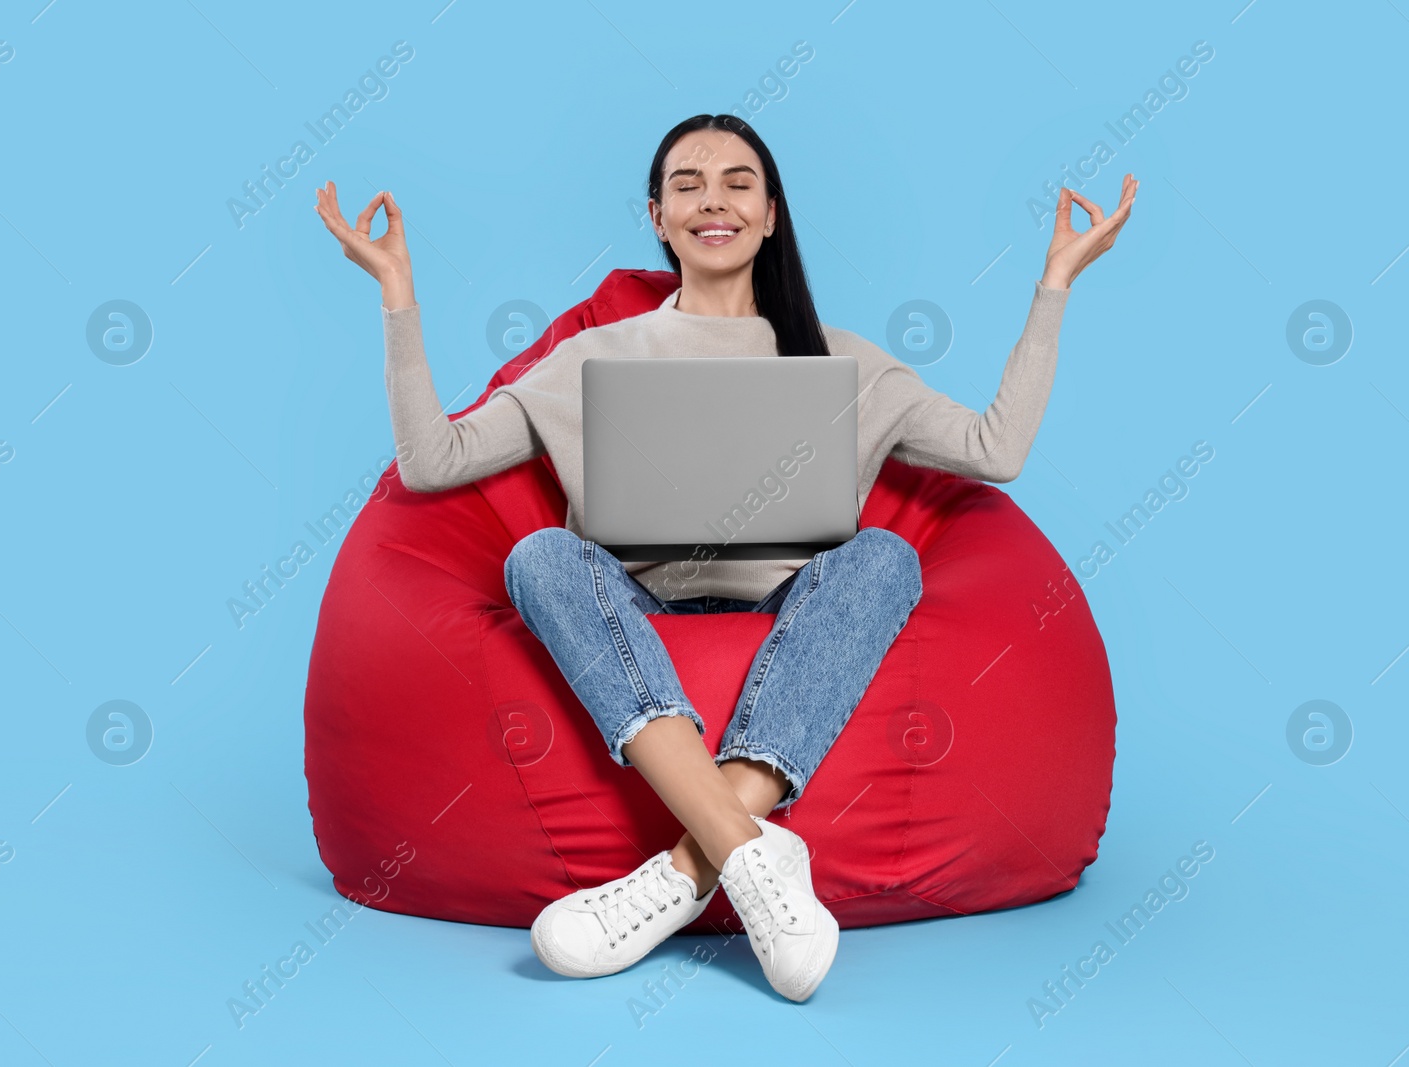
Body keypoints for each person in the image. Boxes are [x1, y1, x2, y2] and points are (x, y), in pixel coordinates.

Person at [315, 113, 1136, 1002]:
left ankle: (674, 874)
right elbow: (433, 462)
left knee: (887, 558)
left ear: (773, 214)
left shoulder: (843, 363)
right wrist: (397, 295)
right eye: (688, 185)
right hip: (636, 621)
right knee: (540, 555)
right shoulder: (586, 359)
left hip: (798, 622)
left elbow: (995, 447)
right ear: (658, 219)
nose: (715, 201)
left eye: (739, 183)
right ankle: (749, 854)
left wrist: (1056, 284)